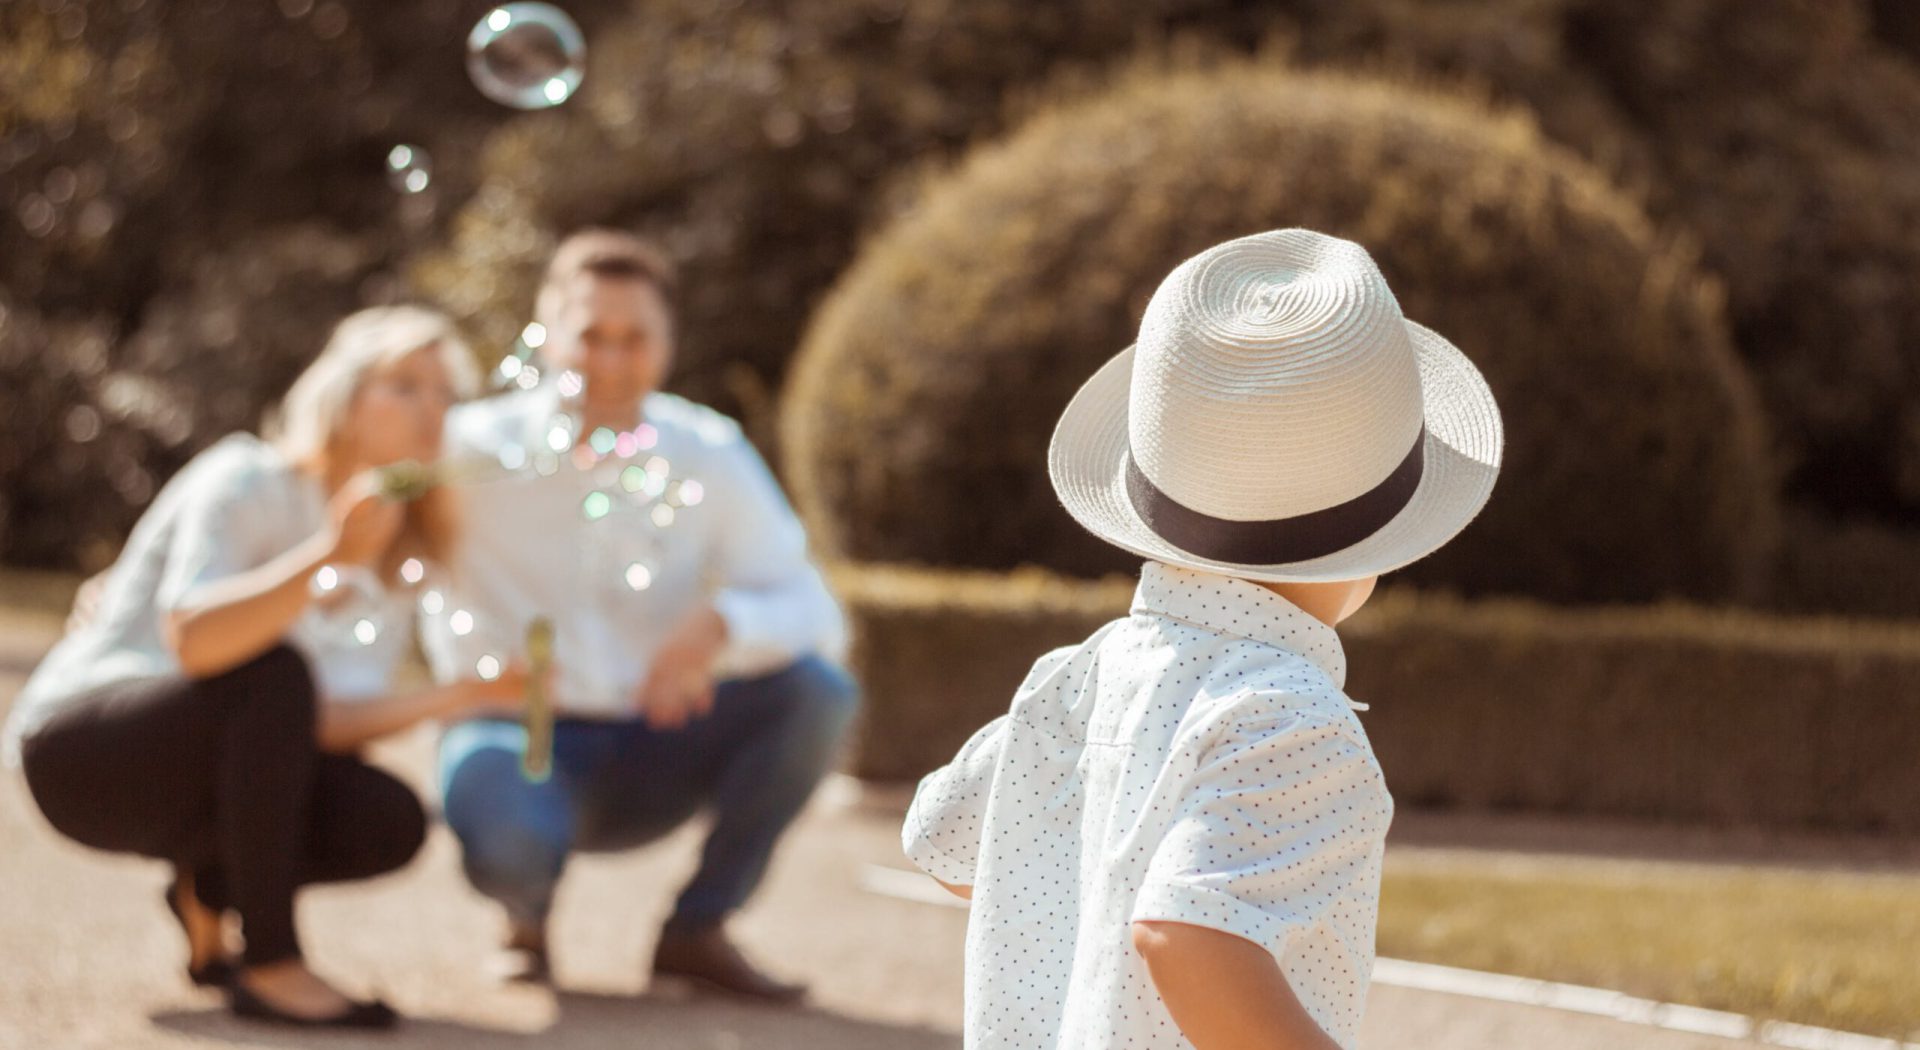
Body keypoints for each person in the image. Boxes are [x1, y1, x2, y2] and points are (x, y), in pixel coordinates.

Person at [902, 229, 1505, 1049]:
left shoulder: (1076, 676)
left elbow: (943, 840)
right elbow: (1186, 936)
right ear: (1378, 548)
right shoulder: (1290, 721)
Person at [4, 306, 531, 1029]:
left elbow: (323, 723)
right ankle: (272, 964)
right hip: (83, 754)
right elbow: (195, 640)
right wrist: (327, 558)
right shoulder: (245, 476)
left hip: (202, 768)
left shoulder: (395, 550)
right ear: (343, 394)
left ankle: (212, 887)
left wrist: (471, 693)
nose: (431, 408)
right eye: (406, 385)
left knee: (388, 817)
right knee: (273, 666)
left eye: (445, 394)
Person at [422, 229, 858, 1001]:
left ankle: (697, 929)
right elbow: (382, 558)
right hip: (519, 735)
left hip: (659, 741)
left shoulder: (708, 451)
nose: (612, 362)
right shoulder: (468, 450)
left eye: (636, 339)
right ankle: (524, 916)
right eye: (591, 336)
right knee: (499, 806)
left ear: (668, 342)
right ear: (547, 334)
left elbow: (813, 608)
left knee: (819, 692)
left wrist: (722, 625)